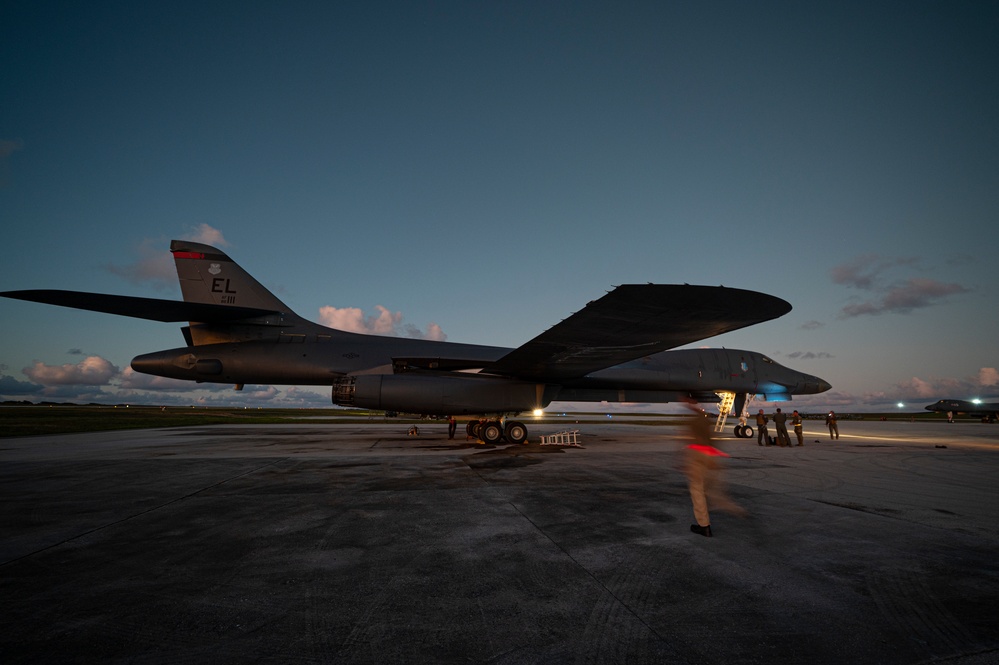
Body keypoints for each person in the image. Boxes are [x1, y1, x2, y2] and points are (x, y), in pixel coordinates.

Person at [683, 399, 746, 537]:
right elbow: (712, 439)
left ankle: (704, 526)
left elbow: (688, 440)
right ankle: (734, 508)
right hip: (709, 455)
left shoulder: (692, 421)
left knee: (697, 491)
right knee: (712, 490)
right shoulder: (706, 419)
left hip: (696, 456)